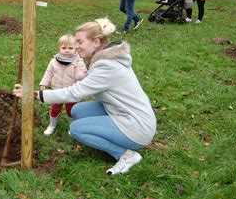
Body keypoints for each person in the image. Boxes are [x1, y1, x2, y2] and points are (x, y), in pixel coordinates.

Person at [13, 18, 156, 175]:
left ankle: (126, 155)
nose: (76, 46)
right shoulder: (106, 59)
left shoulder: (106, 66)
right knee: (77, 110)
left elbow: (74, 92)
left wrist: (34, 94)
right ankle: (103, 132)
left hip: (137, 127)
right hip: (126, 113)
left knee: (76, 129)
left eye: (80, 42)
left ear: (95, 42)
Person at [39, 34, 87, 136]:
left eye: (70, 48)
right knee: (55, 108)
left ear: (76, 49)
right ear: (59, 48)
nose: (67, 50)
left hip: (71, 92)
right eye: (64, 48)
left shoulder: (78, 62)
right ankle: (52, 125)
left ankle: (72, 126)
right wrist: (44, 82)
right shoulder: (54, 61)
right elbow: (49, 72)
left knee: (71, 110)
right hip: (57, 91)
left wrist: (81, 74)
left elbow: (80, 76)